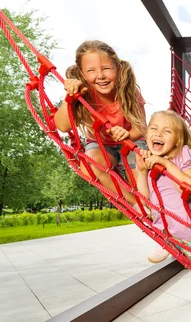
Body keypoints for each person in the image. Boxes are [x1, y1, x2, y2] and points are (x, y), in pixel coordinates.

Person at [54, 41, 147, 202]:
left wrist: (128, 135)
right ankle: (134, 204)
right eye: (91, 71)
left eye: (106, 68)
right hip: (101, 145)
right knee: (89, 166)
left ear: (117, 68)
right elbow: (62, 126)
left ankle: (148, 204)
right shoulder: (83, 94)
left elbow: (140, 127)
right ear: (82, 74)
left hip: (132, 141)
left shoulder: (128, 91)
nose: (100, 76)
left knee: (143, 176)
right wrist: (71, 97)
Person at [135, 110, 191, 264]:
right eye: (154, 128)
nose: (158, 134)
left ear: (177, 141)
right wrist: (142, 171)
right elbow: (143, 199)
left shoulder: (182, 154)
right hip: (167, 234)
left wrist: (167, 164)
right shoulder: (148, 160)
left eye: (167, 131)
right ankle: (165, 243)